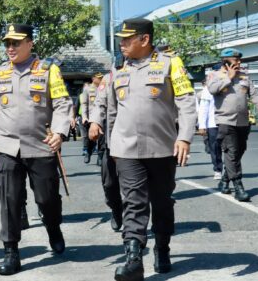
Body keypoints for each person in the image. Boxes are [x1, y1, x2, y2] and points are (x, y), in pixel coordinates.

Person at [89, 18, 197, 280]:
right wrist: (109, 139)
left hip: (162, 148)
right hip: (126, 149)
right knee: (133, 203)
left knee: (161, 202)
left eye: (127, 38)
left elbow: (185, 101)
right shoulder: (118, 69)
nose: (121, 43)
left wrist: (184, 137)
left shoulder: (171, 64)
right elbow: (110, 108)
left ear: (144, 40)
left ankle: (162, 247)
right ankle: (134, 258)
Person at [0, 24, 72, 276]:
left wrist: (59, 133)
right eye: (7, 44)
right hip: (7, 147)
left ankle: (53, 227)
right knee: (9, 201)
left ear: (30, 43)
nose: (10, 48)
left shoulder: (48, 71)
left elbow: (62, 104)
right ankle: (11, 251)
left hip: (41, 146)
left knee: (46, 198)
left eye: (16, 43)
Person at [206, 48, 258, 201]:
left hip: (243, 121)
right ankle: (238, 186)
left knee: (238, 152)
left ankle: (225, 179)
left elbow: (255, 95)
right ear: (226, 60)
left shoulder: (244, 76)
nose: (239, 62)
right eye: (236, 59)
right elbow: (212, 89)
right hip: (225, 121)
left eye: (239, 59)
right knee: (231, 152)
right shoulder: (215, 75)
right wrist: (228, 78)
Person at [94, 70, 123, 232]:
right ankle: (116, 208)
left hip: (136, 138)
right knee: (109, 182)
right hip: (111, 138)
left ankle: (135, 229)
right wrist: (95, 122)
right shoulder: (110, 76)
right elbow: (100, 103)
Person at [198, 78, 223, 180]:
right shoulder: (207, 90)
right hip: (212, 124)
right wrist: (202, 125)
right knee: (215, 148)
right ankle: (218, 169)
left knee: (232, 149)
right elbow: (203, 108)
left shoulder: (230, 86)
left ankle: (232, 170)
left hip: (228, 122)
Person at [81, 72, 105, 165]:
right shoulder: (87, 89)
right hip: (91, 118)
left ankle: (100, 156)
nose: (100, 79)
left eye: (101, 78)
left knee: (102, 138)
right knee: (91, 138)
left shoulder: (103, 88)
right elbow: (84, 104)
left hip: (102, 117)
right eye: (98, 78)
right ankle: (89, 152)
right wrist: (84, 117)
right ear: (93, 79)